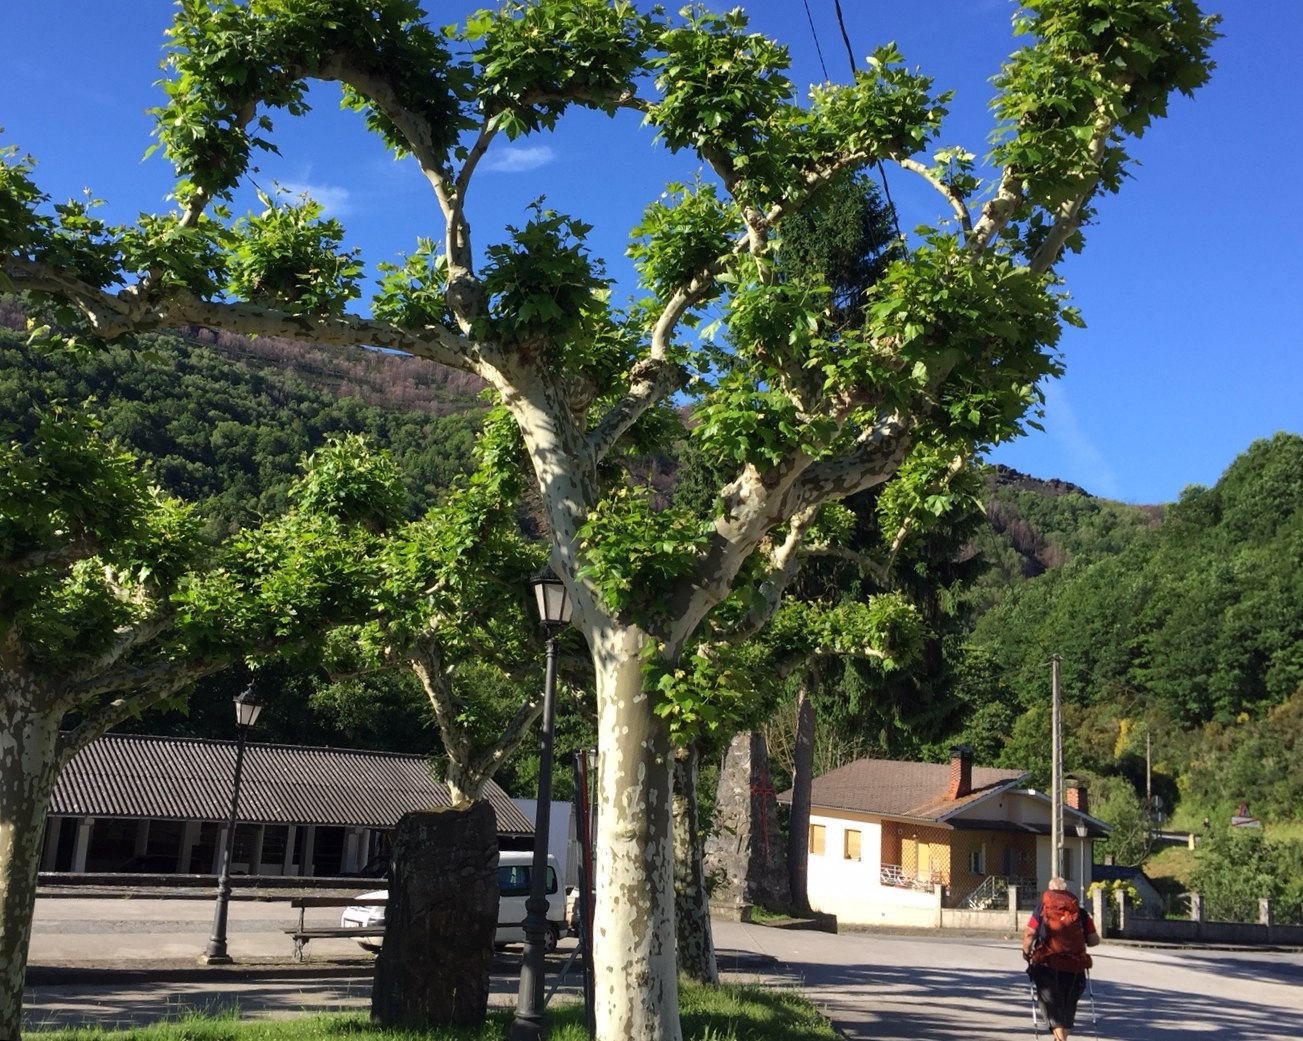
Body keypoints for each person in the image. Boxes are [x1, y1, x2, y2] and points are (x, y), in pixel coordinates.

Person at [1021, 877, 1101, 1041]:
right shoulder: (1080, 912)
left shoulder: (1042, 909)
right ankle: (1060, 1038)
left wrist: (1026, 951)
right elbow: (1093, 940)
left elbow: (1029, 933)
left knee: (1052, 1007)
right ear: (1066, 891)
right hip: (1075, 965)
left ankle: (1061, 1040)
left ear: (1049, 891)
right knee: (1067, 1007)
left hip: (1047, 964)